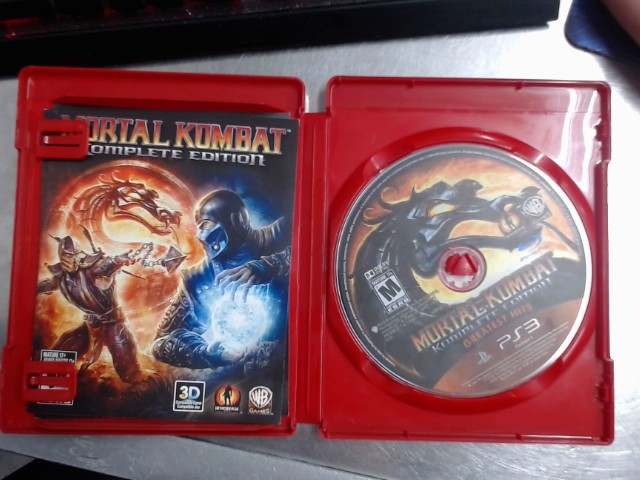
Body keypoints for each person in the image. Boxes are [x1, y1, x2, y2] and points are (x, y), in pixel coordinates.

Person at [151, 189, 290, 370]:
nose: (200, 235)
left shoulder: (279, 234)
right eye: (199, 226)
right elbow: (161, 342)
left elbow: (316, 245)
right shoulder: (199, 277)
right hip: (256, 374)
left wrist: (268, 265)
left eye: (206, 224)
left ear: (235, 221)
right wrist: (207, 353)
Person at [37, 235, 144, 383]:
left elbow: (104, 267)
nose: (69, 259)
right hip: (91, 326)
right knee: (61, 351)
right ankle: (54, 384)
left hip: (113, 324)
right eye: (66, 255)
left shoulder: (91, 268)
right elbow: (48, 285)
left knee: (129, 372)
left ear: (78, 254)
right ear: (61, 256)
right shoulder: (61, 276)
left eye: (72, 255)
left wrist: (117, 261)